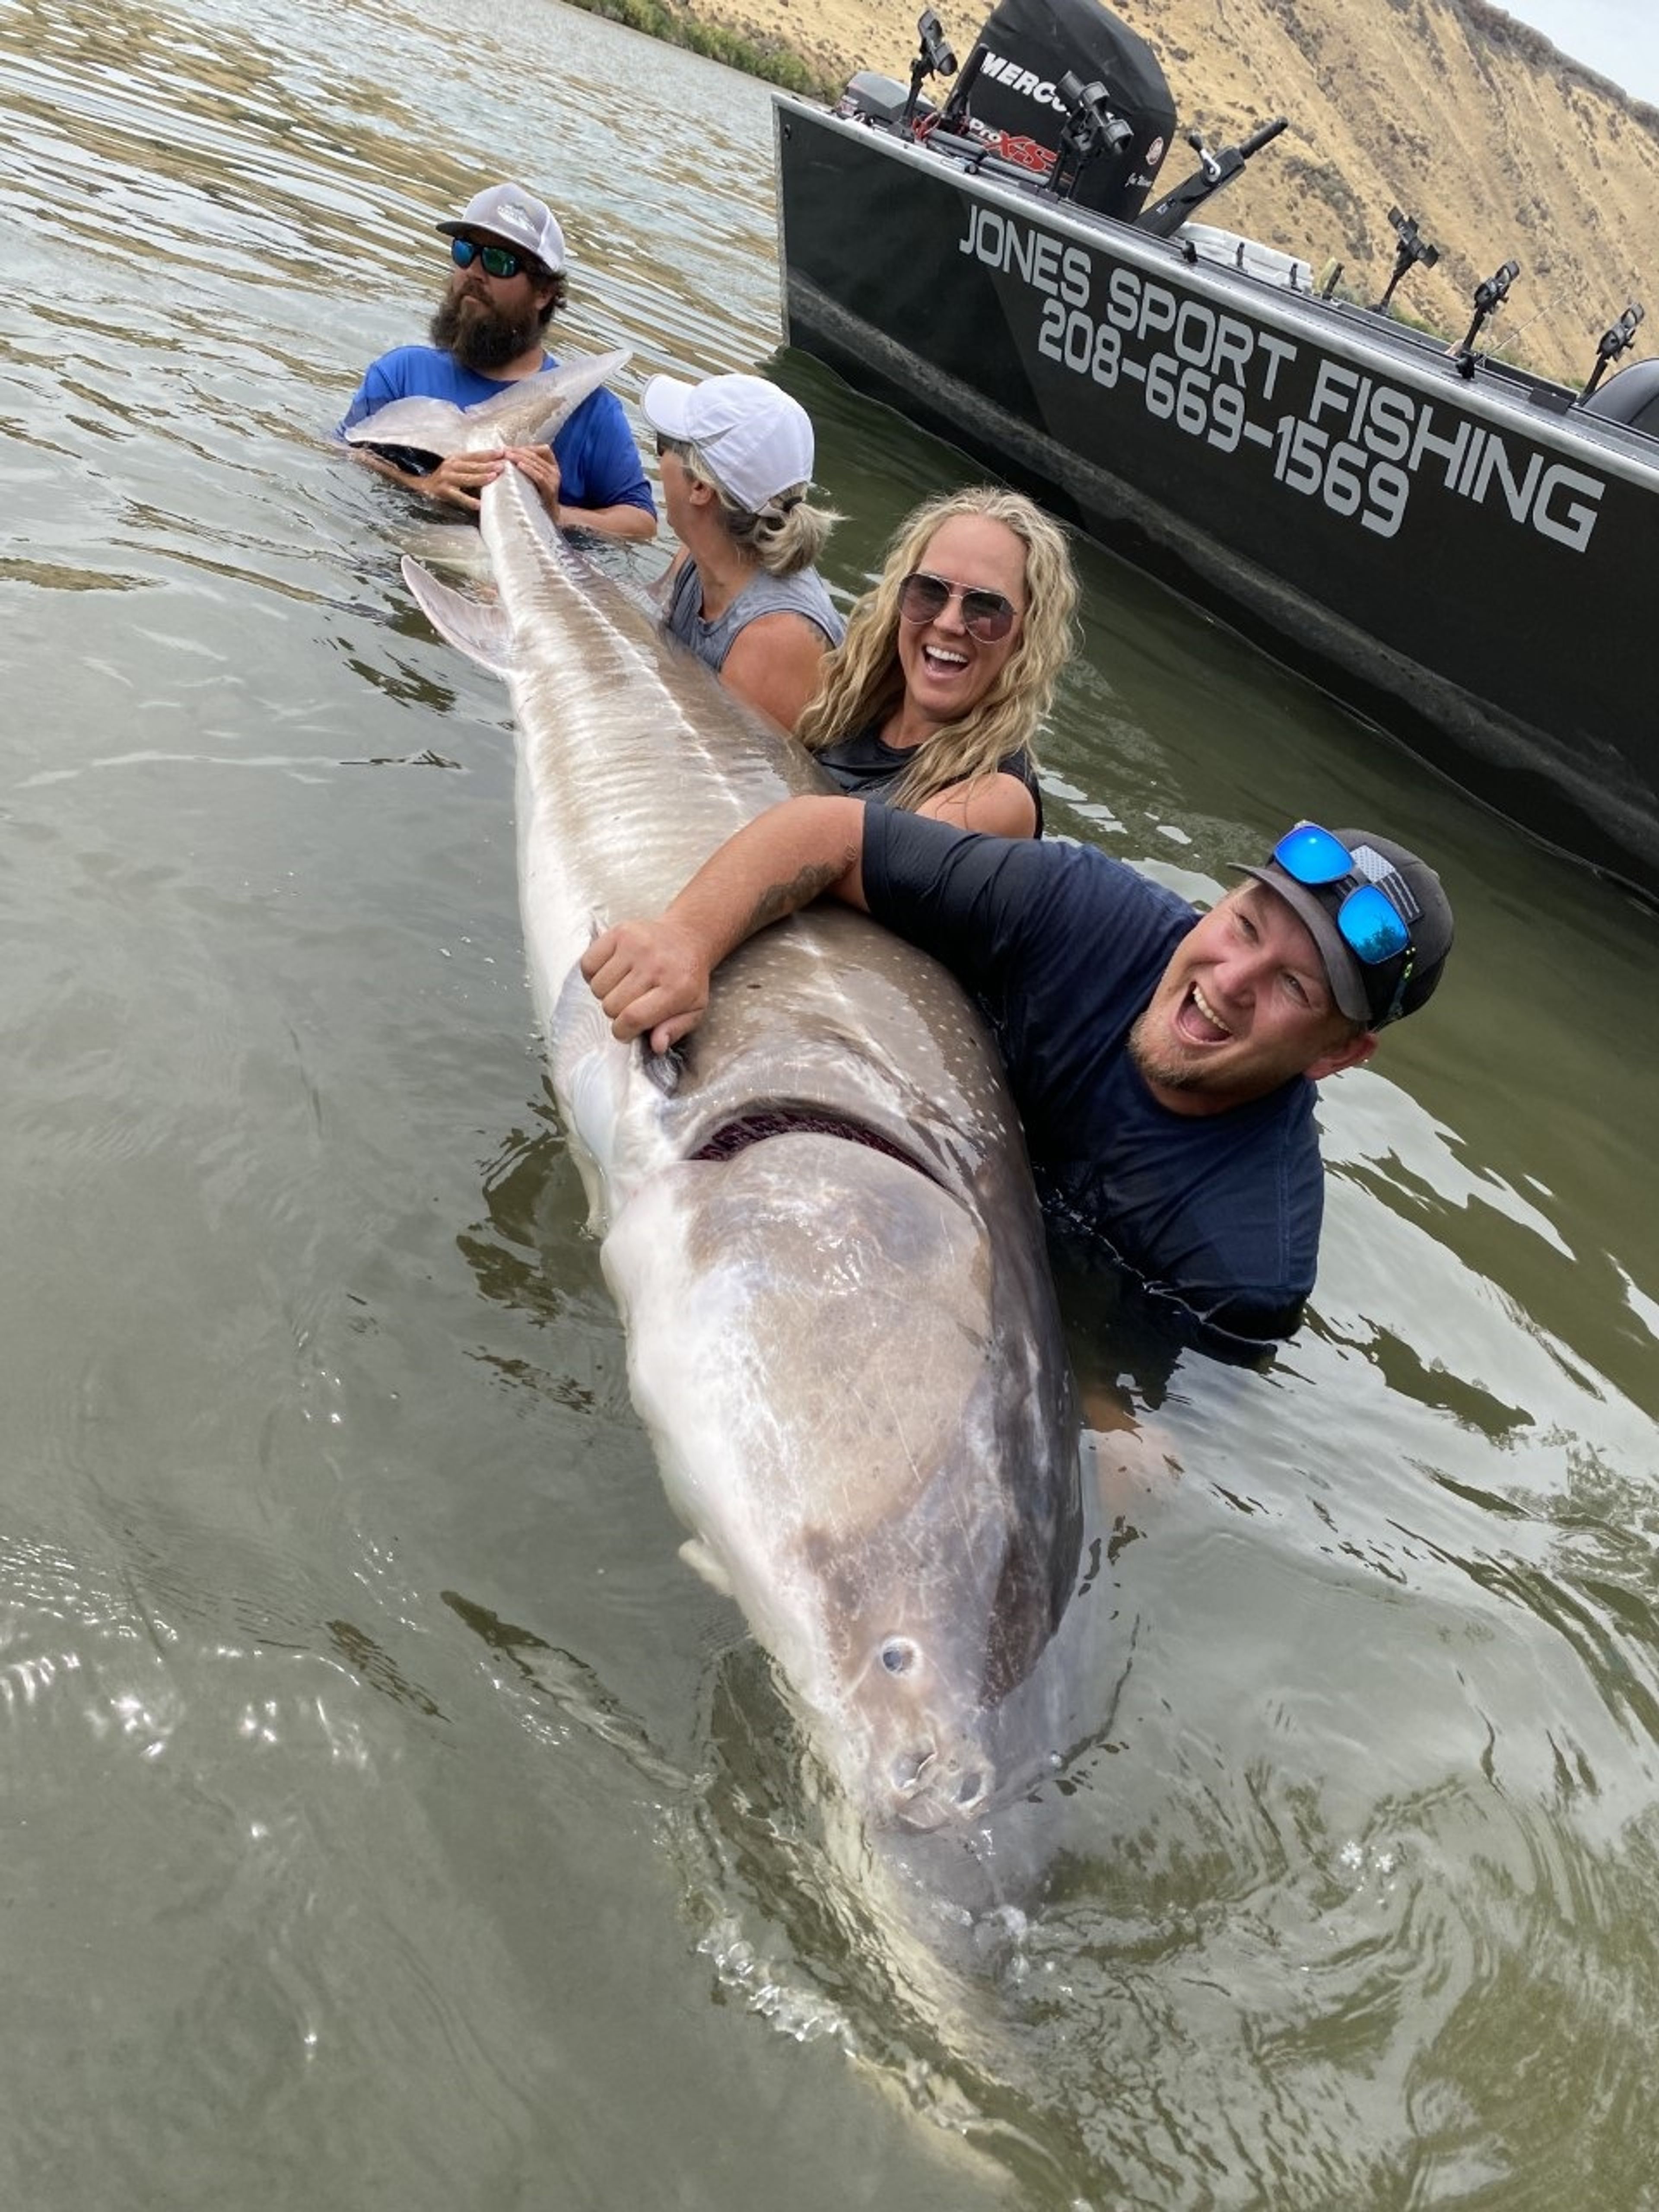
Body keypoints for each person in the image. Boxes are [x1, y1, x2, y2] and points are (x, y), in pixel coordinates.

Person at [579, 810, 1454, 1357]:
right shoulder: (1083, 912)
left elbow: (1130, 1411)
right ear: (1220, 900)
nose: (1230, 980)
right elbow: (830, 833)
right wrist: (686, 940)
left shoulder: (1243, 1262)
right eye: (1245, 925)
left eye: (1294, 988)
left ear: (1338, 1057)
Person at [337, 182, 656, 542]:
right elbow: (339, 450)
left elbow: (641, 524)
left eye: (498, 261)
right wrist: (424, 484)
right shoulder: (401, 373)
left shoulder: (590, 408)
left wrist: (553, 513)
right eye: (465, 252)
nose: (474, 272)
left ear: (544, 293)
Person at [791, 486, 1078, 838]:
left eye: (986, 607)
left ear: (1026, 635)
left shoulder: (993, 798)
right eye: (929, 591)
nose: (947, 623)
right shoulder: (844, 707)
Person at [642, 372, 844, 731]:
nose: (658, 461)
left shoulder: (775, 641)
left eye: (663, 446)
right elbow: (643, 620)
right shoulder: (698, 554)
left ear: (701, 488)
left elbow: (726, 774)